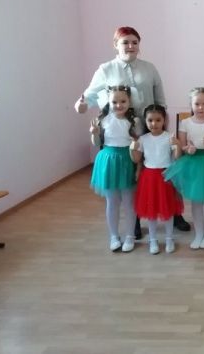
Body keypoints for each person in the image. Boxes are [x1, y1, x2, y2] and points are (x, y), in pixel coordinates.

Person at [75, 26, 190, 236]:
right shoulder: (105, 69)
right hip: (119, 133)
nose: (130, 46)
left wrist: (161, 127)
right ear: (115, 45)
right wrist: (81, 105)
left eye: (134, 42)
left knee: (163, 169)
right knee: (133, 177)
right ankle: (135, 220)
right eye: (125, 42)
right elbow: (88, 97)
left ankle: (174, 213)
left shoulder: (149, 68)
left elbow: (160, 101)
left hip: (149, 127)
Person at [163, 87, 204, 249]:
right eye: (197, 104)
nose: (200, 107)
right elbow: (183, 146)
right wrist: (187, 149)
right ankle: (199, 234)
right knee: (196, 202)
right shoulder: (185, 123)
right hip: (192, 163)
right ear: (191, 104)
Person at [89, 85, 141, 252]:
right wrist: (94, 133)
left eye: (123, 101)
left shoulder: (134, 121)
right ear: (109, 102)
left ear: (129, 101)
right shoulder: (103, 120)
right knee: (112, 202)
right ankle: (114, 236)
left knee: (129, 202)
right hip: (108, 161)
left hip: (127, 160)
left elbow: (139, 145)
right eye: (114, 102)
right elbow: (97, 143)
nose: (119, 105)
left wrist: (138, 167)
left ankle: (130, 236)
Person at [130, 105, 183, 255]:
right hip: (149, 178)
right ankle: (153, 240)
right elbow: (136, 159)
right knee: (151, 210)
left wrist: (177, 145)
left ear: (164, 120)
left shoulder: (169, 137)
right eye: (150, 120)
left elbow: (177, 157)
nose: (154, 123)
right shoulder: (143, 139)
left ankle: (169, 238)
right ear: (145, 121)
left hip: (166, 176)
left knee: (168, 210)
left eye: (158, 120)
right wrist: (132, 148)